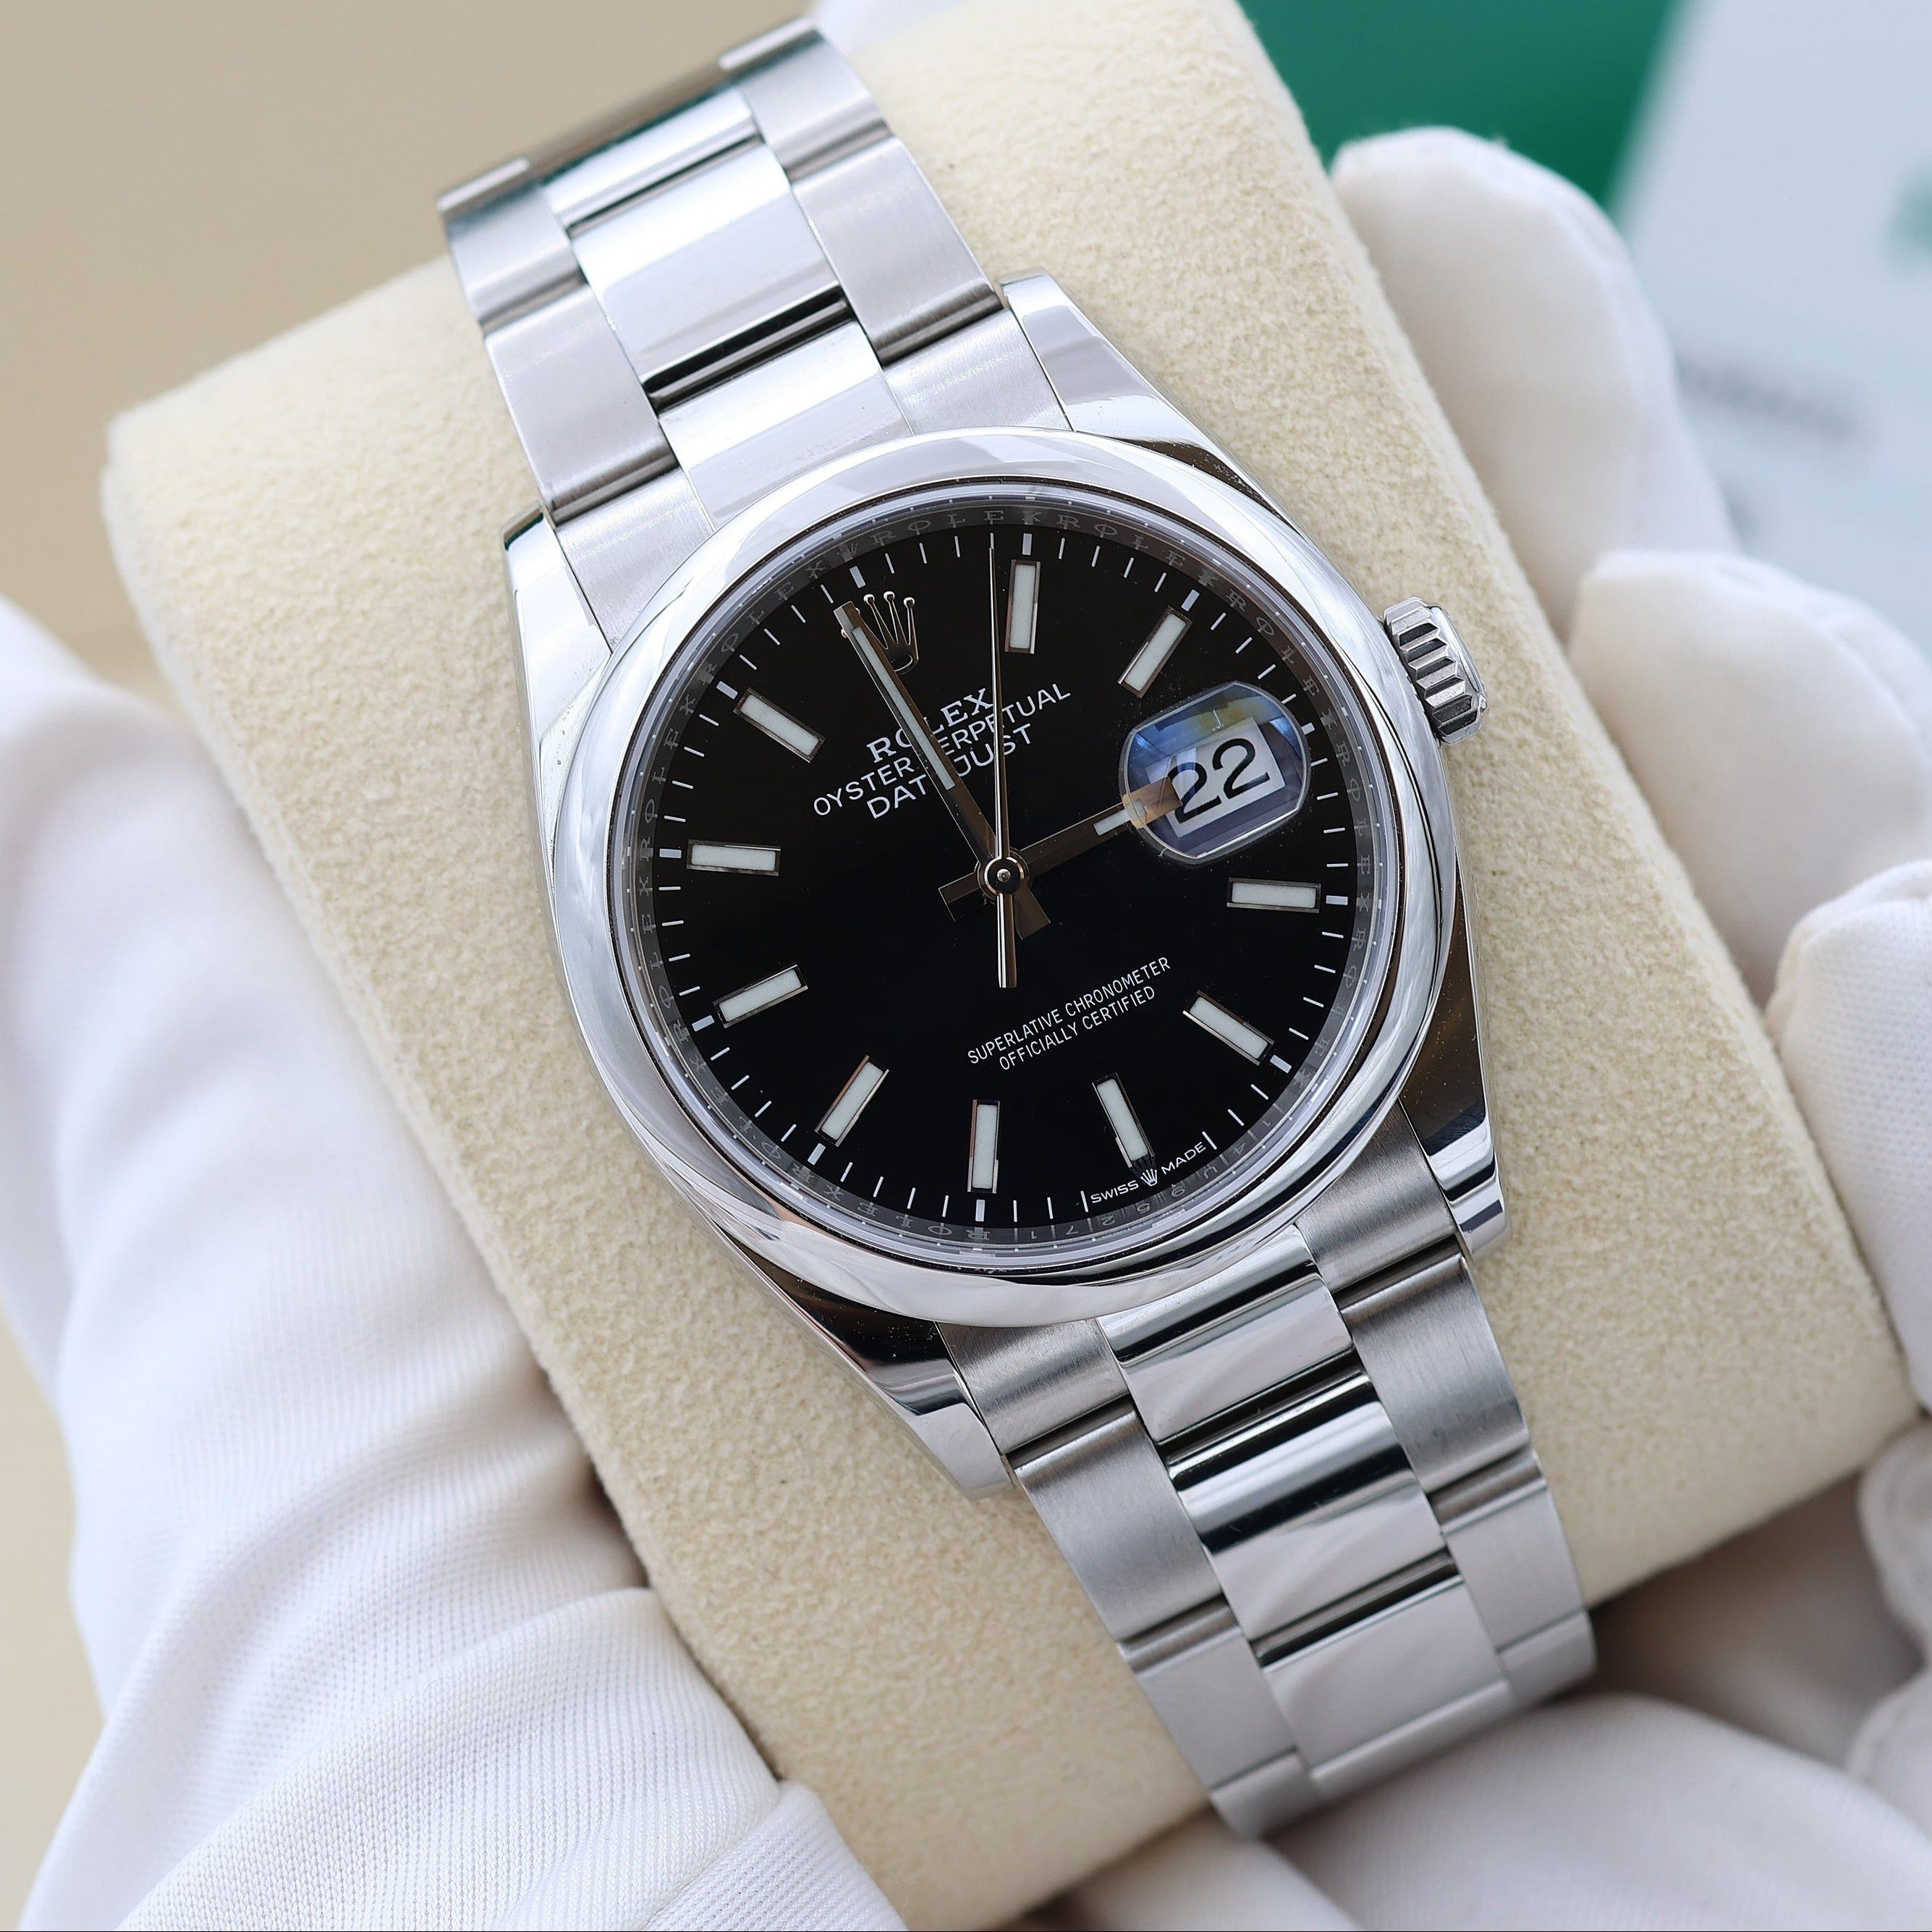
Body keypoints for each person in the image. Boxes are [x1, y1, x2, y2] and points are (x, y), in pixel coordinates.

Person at [6, 122, 1932, 1930]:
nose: (1008, 883)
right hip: (1000, 1314)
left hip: (1311, 1153)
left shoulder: (1081, 457)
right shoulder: (611, 688)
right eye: (990, 878)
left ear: (1402, 681)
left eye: (1026, 854)